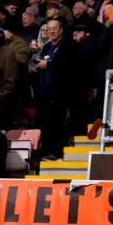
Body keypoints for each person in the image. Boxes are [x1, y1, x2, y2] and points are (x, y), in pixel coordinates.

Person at [33, 19, 74, 161]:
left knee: (57, 124)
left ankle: (56, 152)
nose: (51, 31)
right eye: (48, 28)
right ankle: (45, 152)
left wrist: (49, 65)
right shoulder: (47, 46)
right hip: (44, 93)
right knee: (45, 124)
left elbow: (69, 65)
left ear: (61, 30)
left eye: (54, 28)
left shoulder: (68, 45)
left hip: (59, 93)